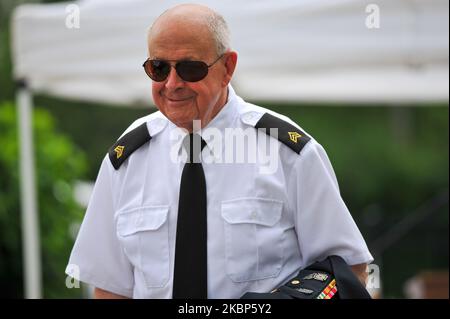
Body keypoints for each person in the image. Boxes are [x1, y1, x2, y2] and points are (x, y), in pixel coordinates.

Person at [66, 3, 373, 299]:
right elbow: (110, 288)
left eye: (190, 68)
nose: (172, 84)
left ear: (228, 68)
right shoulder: (127, 159)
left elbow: (349, 272)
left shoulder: (287, 152)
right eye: (158, 68)